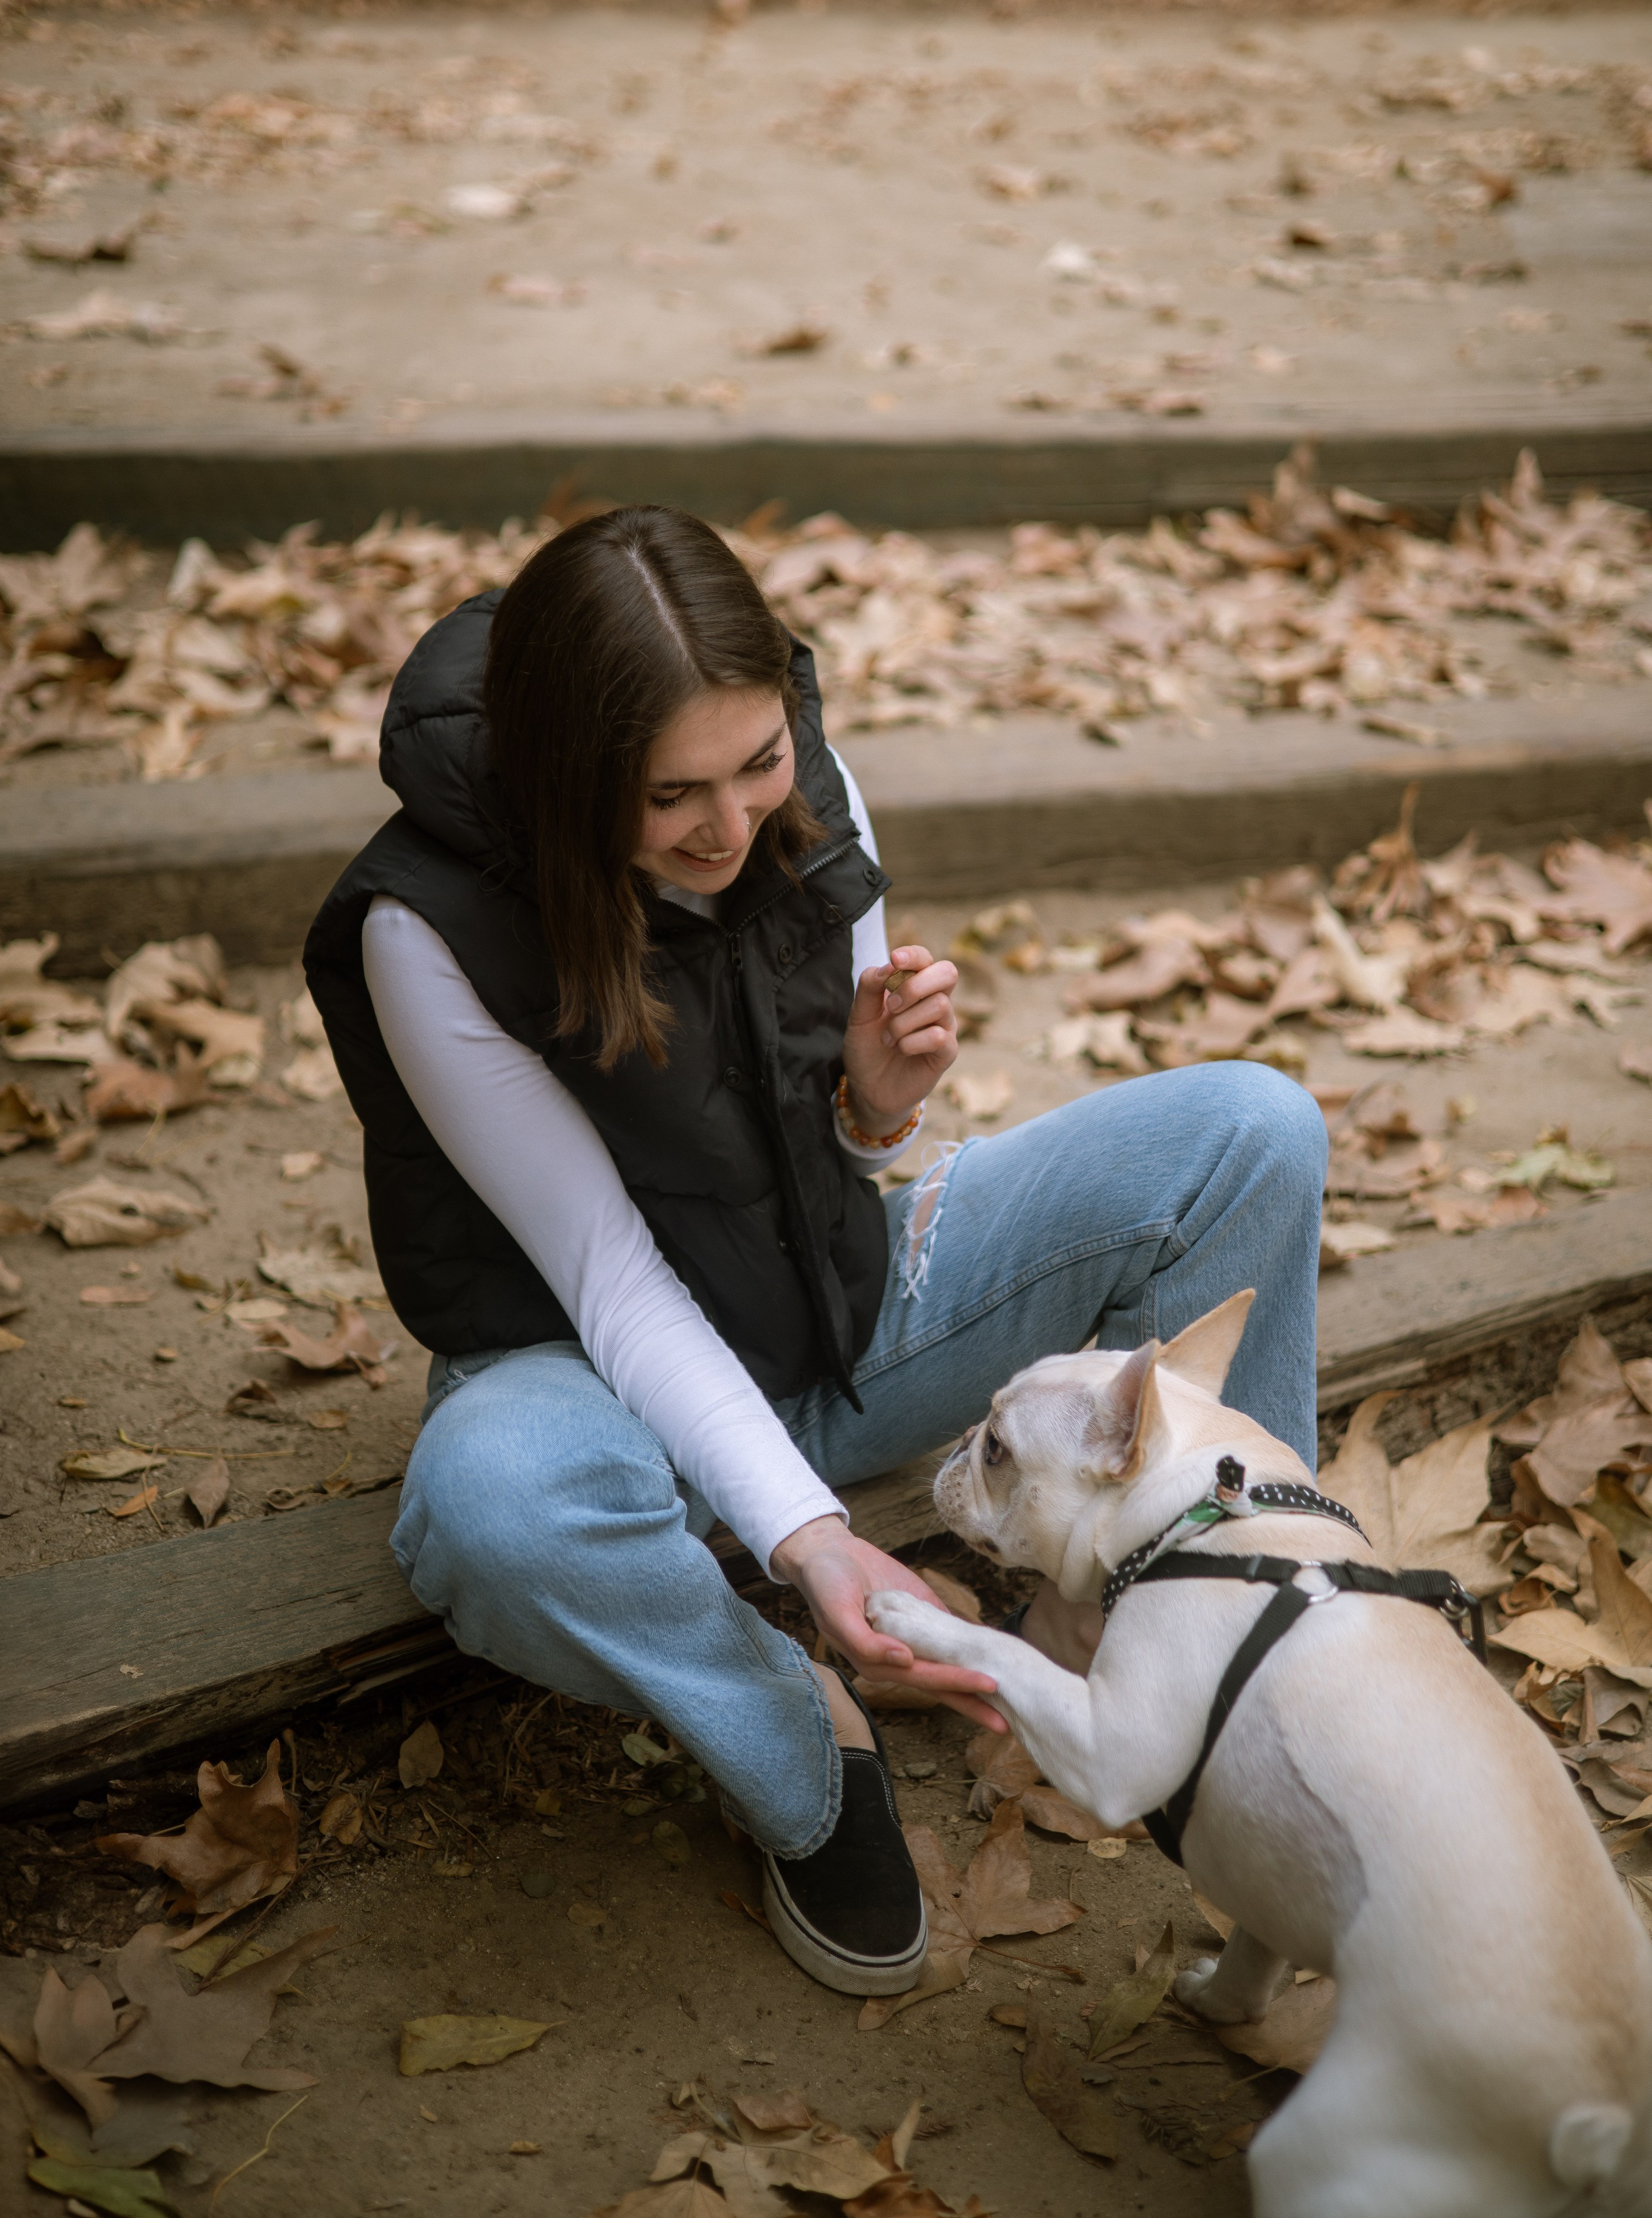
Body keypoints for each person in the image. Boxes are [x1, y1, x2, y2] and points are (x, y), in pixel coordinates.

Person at [305, 504, 1327, 1998]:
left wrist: (872, 1108)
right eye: (670, 796)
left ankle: (1250, 1627)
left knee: (1252, 1127)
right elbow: (610, 1278)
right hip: (595, 1378)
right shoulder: (429, 927)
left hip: (837, 1314)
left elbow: (842, 1165)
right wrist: (812, 1538)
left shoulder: (810, 782)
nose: (730, 828)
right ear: (561, 777)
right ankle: (799, 1738)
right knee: (487, 1500)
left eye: (756, 764)